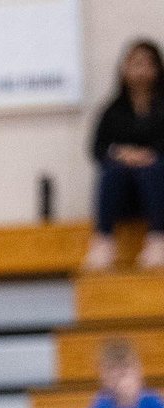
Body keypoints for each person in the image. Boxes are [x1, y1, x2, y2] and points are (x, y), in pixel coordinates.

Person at [84, 40, 164, 272]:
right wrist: (121, 153)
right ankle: (104, 240)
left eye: (147, 64)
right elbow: (97, 148)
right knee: (113, 170)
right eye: (135, 63)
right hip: (124, 193)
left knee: (153, 167)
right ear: (124, 68)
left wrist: (146, 155)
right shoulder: (112, 110)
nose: (141, 70)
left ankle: (158, 239)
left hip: (156, 185)